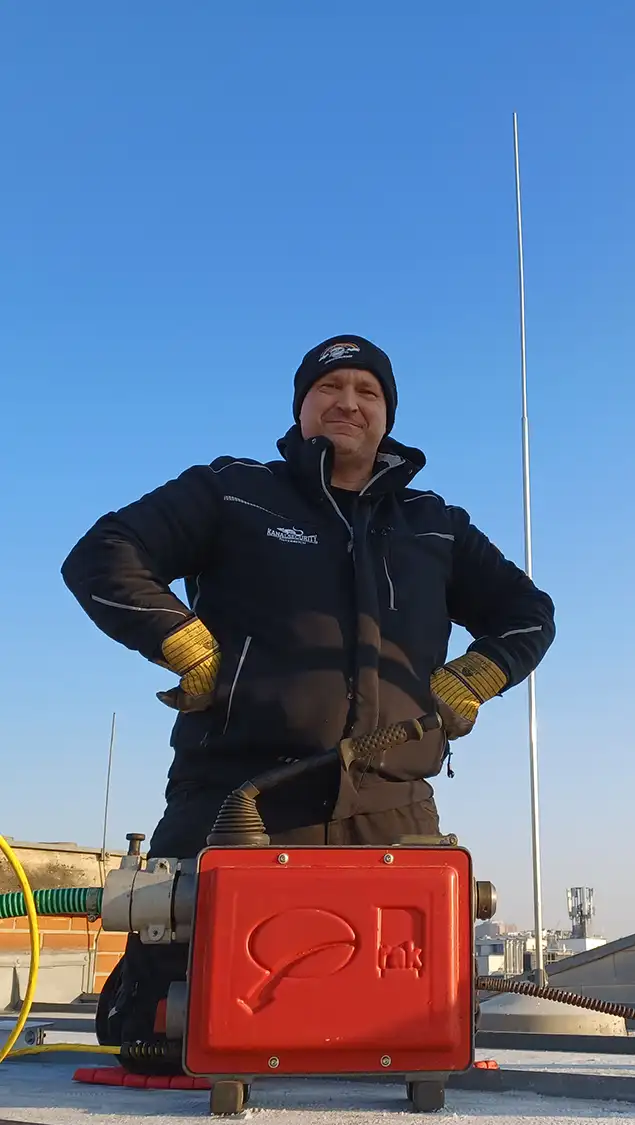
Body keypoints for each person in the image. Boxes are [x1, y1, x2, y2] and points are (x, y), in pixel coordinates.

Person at [62, 334, 555, 1062]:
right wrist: (184, 643)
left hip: (392, 815)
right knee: (159, 1029)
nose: (348, 402)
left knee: (405, 1037)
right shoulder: (233, 491)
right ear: (301, 409)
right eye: (329, 388)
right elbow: (104, 555)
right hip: (233, 804)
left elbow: (529, 614)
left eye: (368, 391)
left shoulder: (434, 524)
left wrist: (475, 675)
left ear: (388, 414)